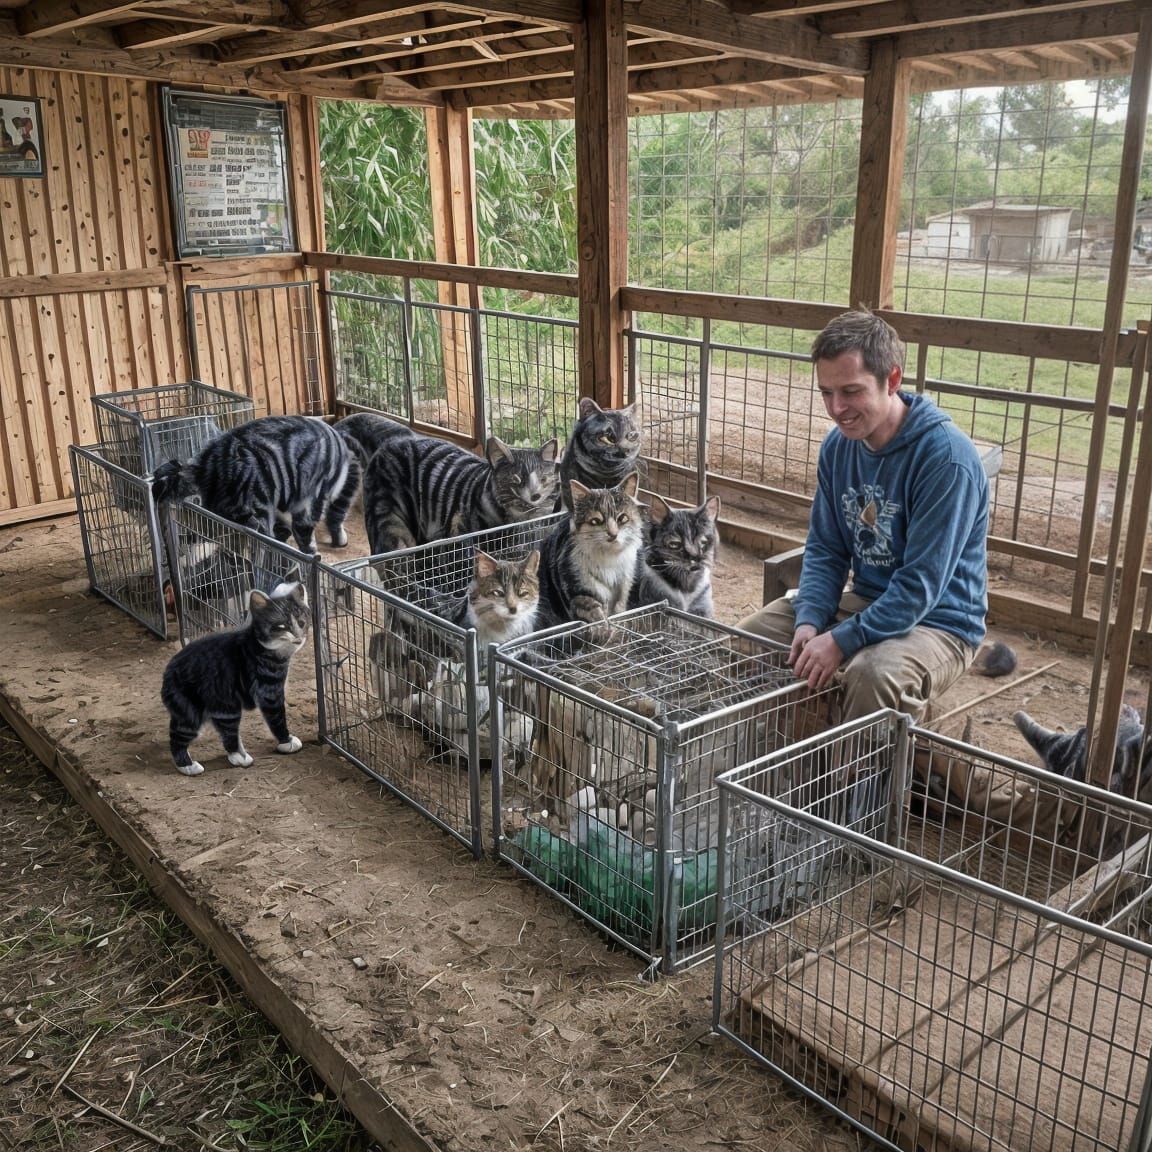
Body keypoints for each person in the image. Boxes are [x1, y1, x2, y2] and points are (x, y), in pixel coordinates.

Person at [738, 308, 988, 724]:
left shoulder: (946, 459)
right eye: (826, 392)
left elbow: (918, 588)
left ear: (892, 380)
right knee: (747, 640)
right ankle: (792, 772)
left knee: (873, 675)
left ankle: (862, 786)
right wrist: (810, 619)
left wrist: (840, 640)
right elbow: (826, 549)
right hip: (869, 601)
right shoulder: (838, 448)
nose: (837, 409)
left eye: (851, 392)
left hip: (940, 619)